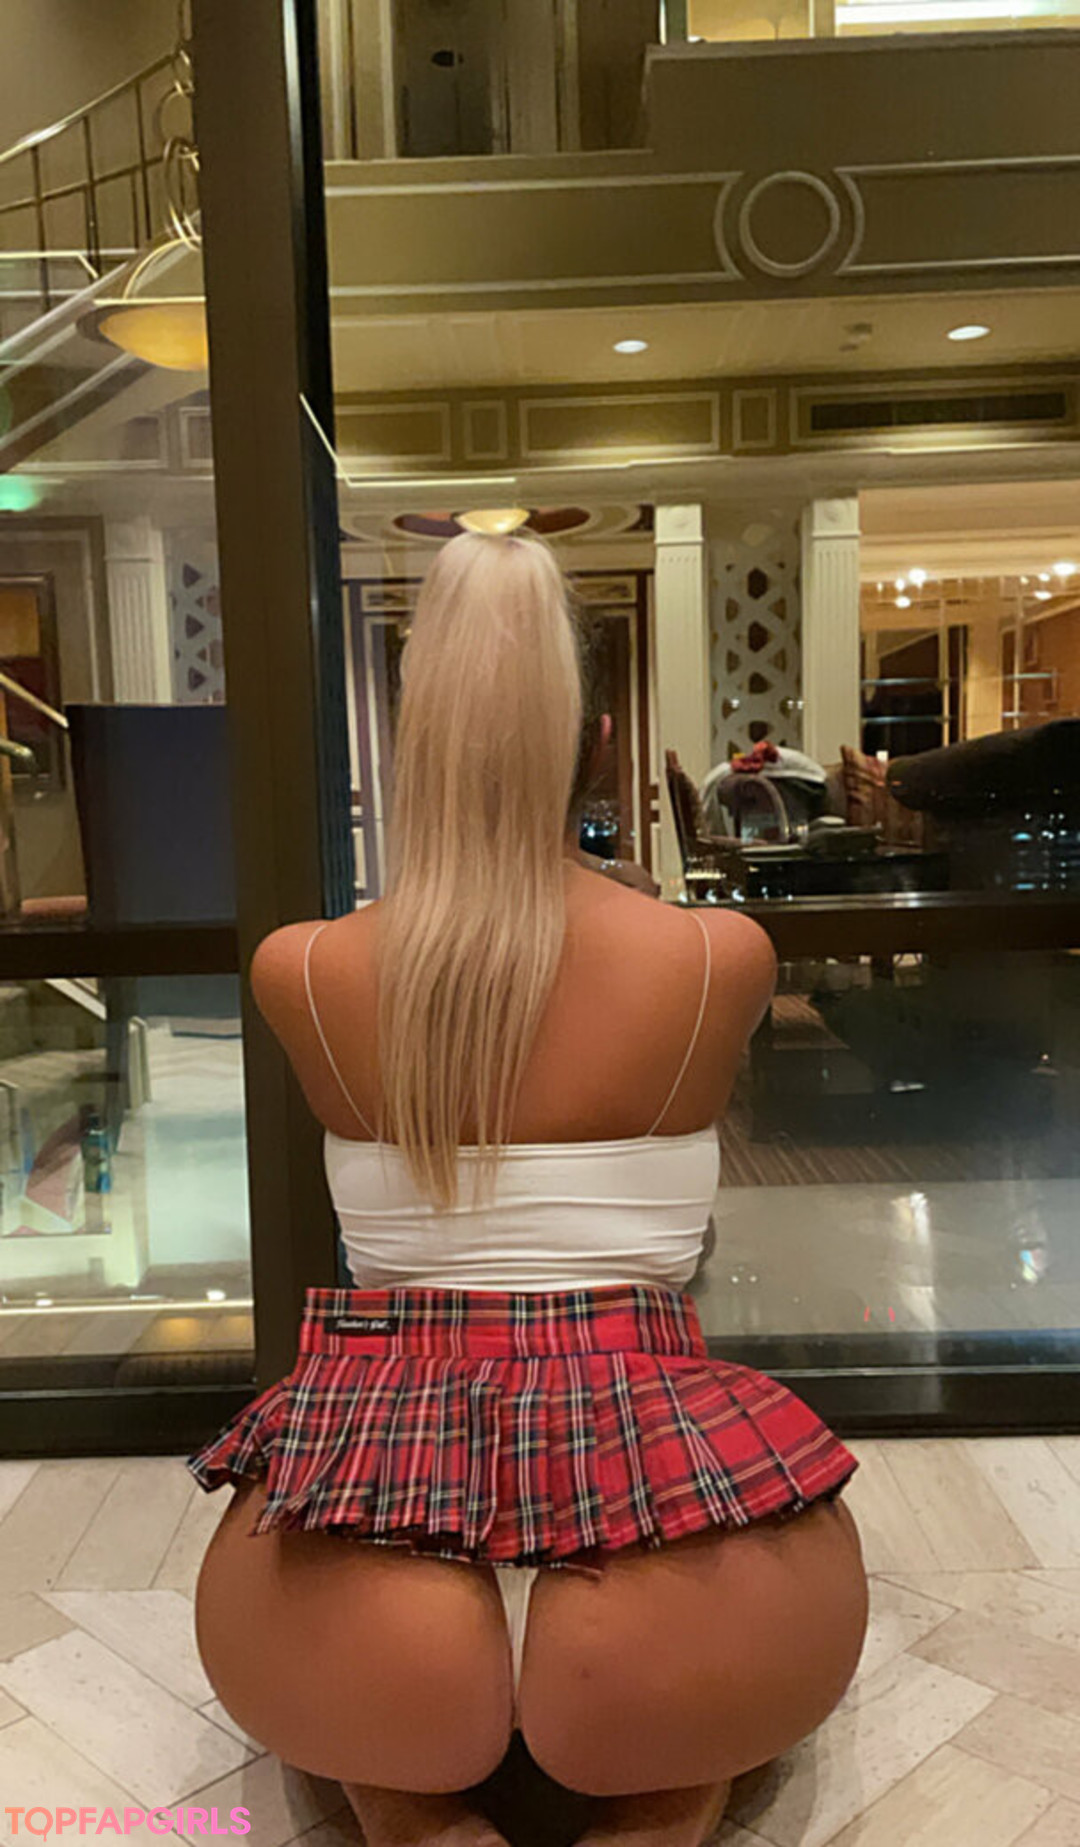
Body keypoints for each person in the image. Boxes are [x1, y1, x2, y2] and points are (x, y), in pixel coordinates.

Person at [186, 531, 868, 1847]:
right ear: (597, 744)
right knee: (668, 1783)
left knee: (396, 1788)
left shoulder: (302, 968)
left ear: (413, 741)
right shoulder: (717, 957)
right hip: (670, 1554)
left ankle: (422, 1806)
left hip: (365, 1550)